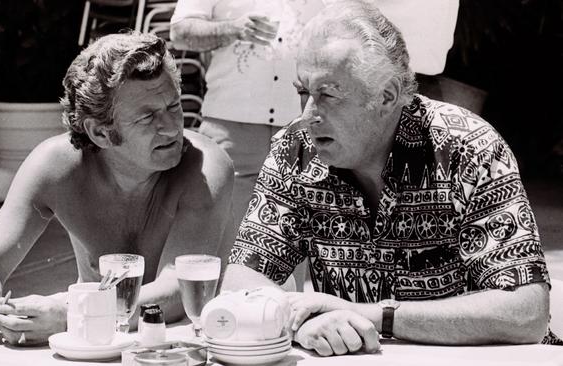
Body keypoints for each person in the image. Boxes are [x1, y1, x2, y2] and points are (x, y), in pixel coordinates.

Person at [222, 0, 559, 356]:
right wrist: (302, 320)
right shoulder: (295, 148)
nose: (308, 115)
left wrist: (374, 315)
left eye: (327, 94)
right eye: (303, 92)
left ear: (387, 96)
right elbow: (241, 281)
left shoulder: (467, 148)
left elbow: (525, 312)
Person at [0, 32, 234, 346]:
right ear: (100, 133)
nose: (171, 126)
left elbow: (177, 293)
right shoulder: (55, 166)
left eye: (174, 106)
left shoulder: (206, 167)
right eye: (148, 116)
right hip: (93, 345)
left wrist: (74, 313)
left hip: (189, 345)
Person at [169, 0, 326, 239]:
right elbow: (180, 32)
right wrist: (233, 29)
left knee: (293, 248)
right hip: (230, 130)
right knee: (221, 245)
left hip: (302, 129)